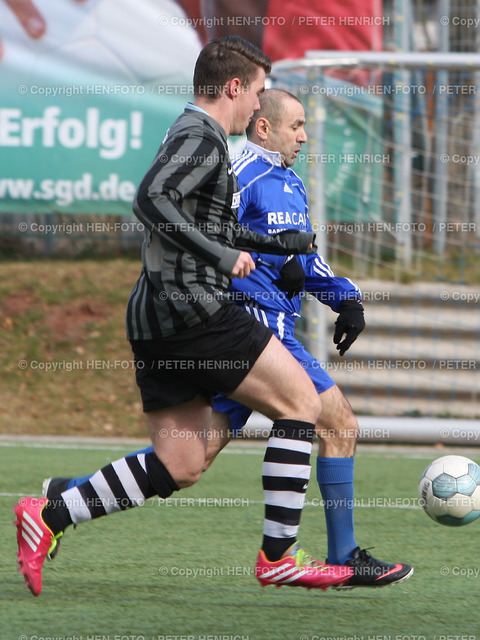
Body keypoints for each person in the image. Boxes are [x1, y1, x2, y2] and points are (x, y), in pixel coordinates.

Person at [14, 37, 353, 597]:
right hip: (194, 310)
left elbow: (201, 221)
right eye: (259, 92)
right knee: (302, 404)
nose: (259, 107)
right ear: (233, 88)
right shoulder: (201, 135)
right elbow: (150, 200)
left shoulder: (193, 134)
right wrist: (224, 258)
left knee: (182, 463)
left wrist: (265, 243)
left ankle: (49, 514)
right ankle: (279, 557)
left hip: (154, 318)